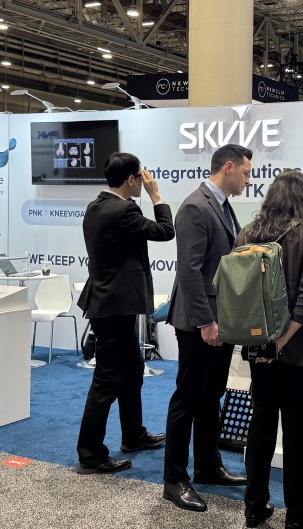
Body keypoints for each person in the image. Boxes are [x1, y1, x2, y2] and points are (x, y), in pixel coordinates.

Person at [236, 171, 303, 529]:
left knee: (261, 423)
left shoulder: (248, 232)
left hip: (258, 346)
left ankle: (254, 507)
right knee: (295, 430)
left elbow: (239, 293)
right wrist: (282, 341)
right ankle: (299, 514)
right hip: (297, 349)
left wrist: (265, 342)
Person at [162, 143, 253, 512]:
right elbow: (189, 271)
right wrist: (206, 322)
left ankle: (207, 465)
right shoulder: (195, 207)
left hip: (221, 319)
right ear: (228, 167)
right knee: (187, 397)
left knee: (211, 395)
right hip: (199, 321)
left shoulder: (222, 205)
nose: (248, 180)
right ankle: (174, 479)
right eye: (245, 172)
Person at [75, 152, 174, 475]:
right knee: (107, 380)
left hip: (107, 303)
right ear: (131, 179)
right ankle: (91, 454)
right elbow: (165, 230)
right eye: (140, 178)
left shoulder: (96, 206)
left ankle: (133, 434)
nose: (143, 182)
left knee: (133, 369)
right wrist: (156, 196)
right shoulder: (124, 210)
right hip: (115, 306)